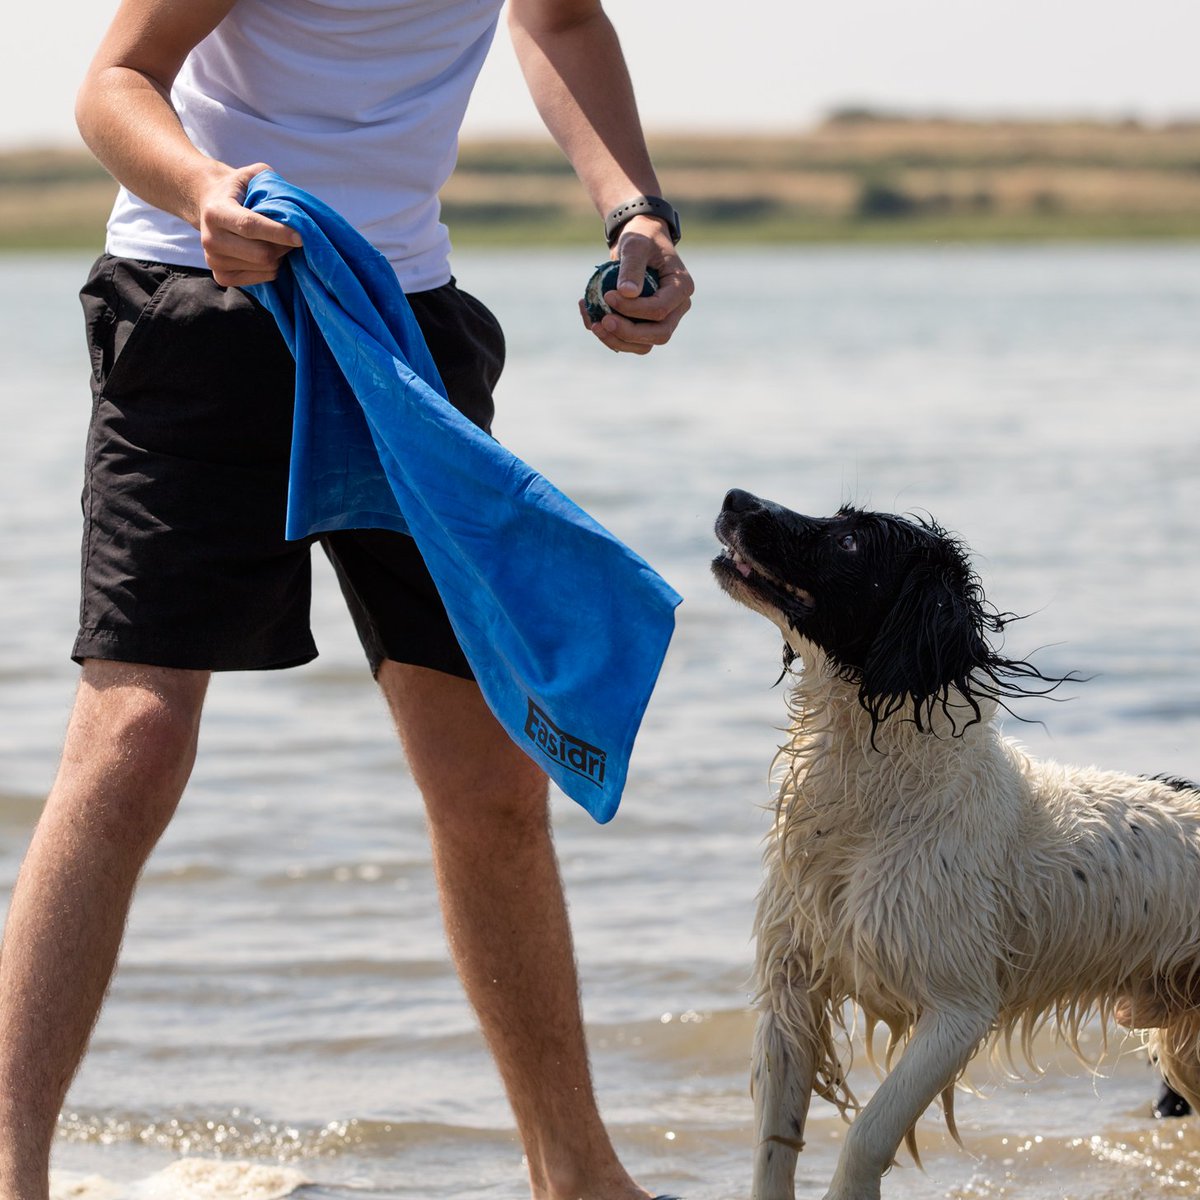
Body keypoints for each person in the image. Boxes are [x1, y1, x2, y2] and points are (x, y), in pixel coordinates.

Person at [0, 2, 693, 1197]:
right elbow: (116, 80)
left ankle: (577, 1175)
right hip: (195, 300)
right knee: (135, 738)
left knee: (490, 773)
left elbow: (564, 21)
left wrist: (636, 212)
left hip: (400, 324)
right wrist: (202, 189)